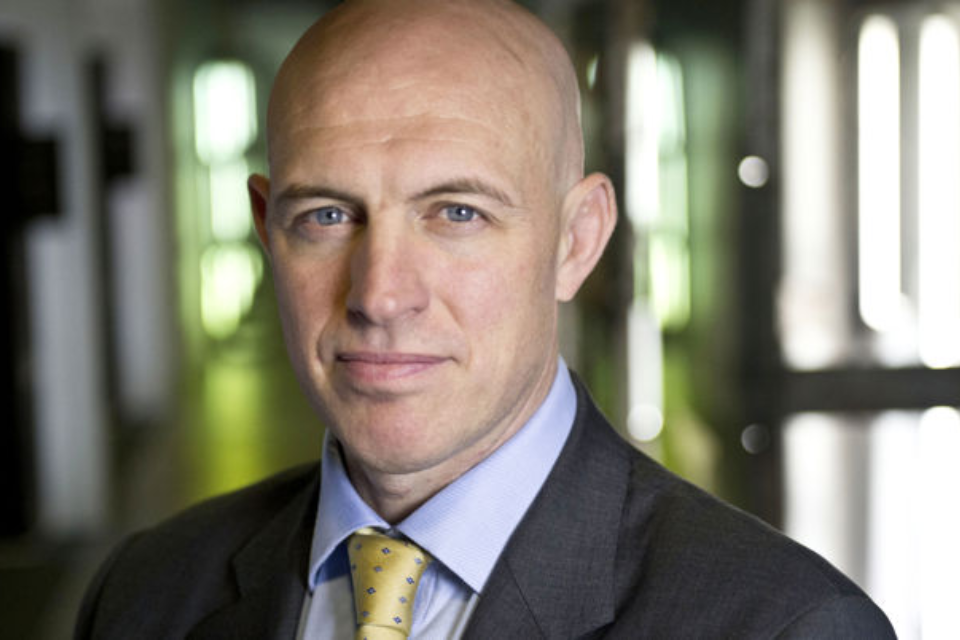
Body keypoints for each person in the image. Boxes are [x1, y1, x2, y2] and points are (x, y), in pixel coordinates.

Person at [75, 0, 896, 638]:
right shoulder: (145, 594)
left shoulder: (786, 627)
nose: (380, 294)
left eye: (457, 213)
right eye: (326, 215)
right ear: (266, 229)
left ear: (577, 242)